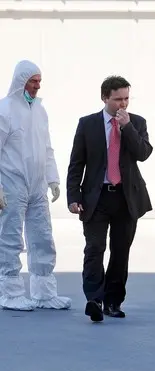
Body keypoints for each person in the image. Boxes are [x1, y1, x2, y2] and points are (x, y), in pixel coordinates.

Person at [66, 75, 153, 322]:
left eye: (126, 98)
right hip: (97, 197)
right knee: (94, 248)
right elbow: (76, 163)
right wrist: (73, 196)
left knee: (120, 251)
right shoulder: (87, 124)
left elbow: (143, 153)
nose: (123, 104)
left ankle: (113, 301)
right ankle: (94, 299)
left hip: (126, 198)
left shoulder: (136, 122)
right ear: (105, 98)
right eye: (118, 99)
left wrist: (127, 128)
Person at [0, 60, 72, 311]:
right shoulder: (5, 110)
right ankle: (10, 293)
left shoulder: (40, 111)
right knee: (10, 237)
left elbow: (47, 148)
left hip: (37, 185)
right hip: (12, 184)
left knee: (42, 237)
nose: (37, 86)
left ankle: (44, 293)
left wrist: (52, 179)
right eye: (33, 81)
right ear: (21, 81)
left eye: (39, 81)